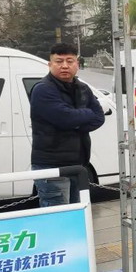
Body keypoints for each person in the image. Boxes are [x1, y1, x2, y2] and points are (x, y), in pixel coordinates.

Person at [30, 43, 105, 206]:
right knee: (58, 220)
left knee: (76, 215)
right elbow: (65, 118)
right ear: (50, 64)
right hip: (52, 167)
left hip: (78, 165)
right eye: (59, 61)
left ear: (77, 63)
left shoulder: (83, 88)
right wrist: (83, 116)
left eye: (69, 61)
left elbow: (99, 117)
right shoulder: (43, 89)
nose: (64, 65)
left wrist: (75, 122)